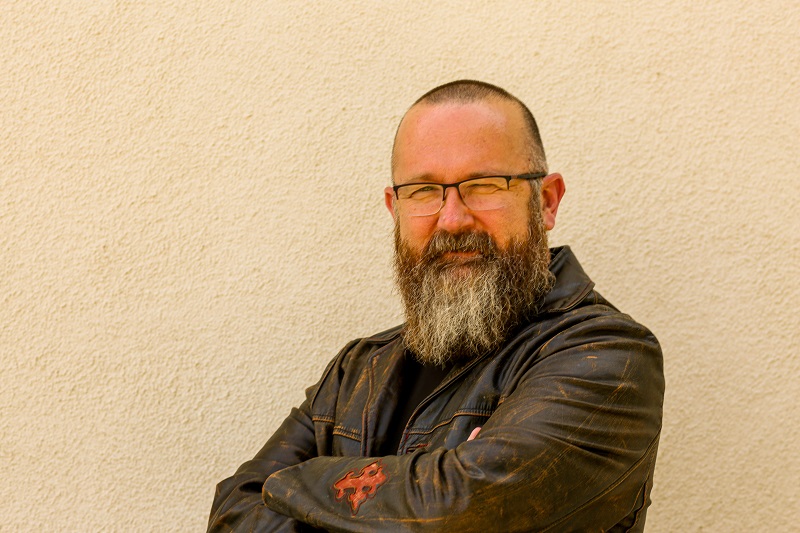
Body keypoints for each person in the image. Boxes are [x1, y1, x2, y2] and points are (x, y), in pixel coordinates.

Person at [208, 80, 664, 532]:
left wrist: (294, 484)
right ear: (395, 209)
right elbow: (234, 511)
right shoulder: (356, 371)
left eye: (484, 185)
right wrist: (432, 482)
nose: (452, 218)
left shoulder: (609, 357)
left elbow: (459, 510)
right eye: (424, 191)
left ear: (545, 201)